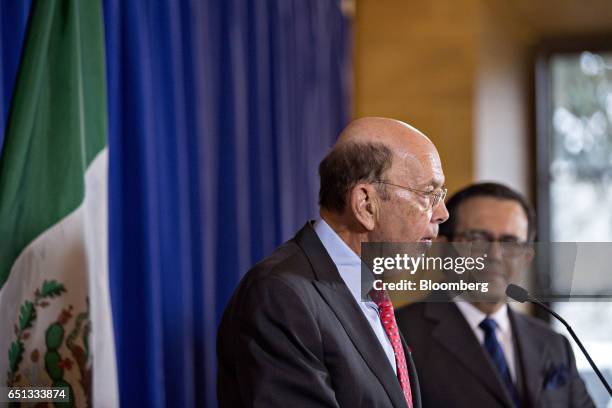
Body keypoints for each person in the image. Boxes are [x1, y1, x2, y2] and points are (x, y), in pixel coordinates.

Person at [217, 117, 449, 407]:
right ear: (366, 204)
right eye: (429, 194)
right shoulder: (281, 296)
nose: (442, 213)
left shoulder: (371, 295)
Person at [395, 182, 594, 408]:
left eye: (511, 243)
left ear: (526, 257)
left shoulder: (553, 343)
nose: (495, 255)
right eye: (478, 239)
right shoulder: (400, 334)